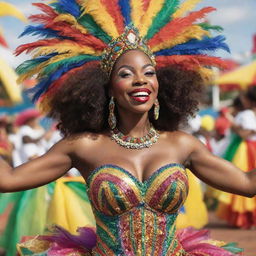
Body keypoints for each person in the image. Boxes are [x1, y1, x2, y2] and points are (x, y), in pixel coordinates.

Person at [0, 1, 255, 255]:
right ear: (109, 88)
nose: (140, 80)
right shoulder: (84, 146)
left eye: (149, 72)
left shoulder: (182, 144)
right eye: (125, 74)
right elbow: (8, 180)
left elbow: (247, 184)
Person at [216, 88, 256, 229]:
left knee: (242, 181)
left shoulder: (246, 114)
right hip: (251, 148)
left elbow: (245, 134)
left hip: (246, 150)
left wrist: (233, 124)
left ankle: (244, 219)